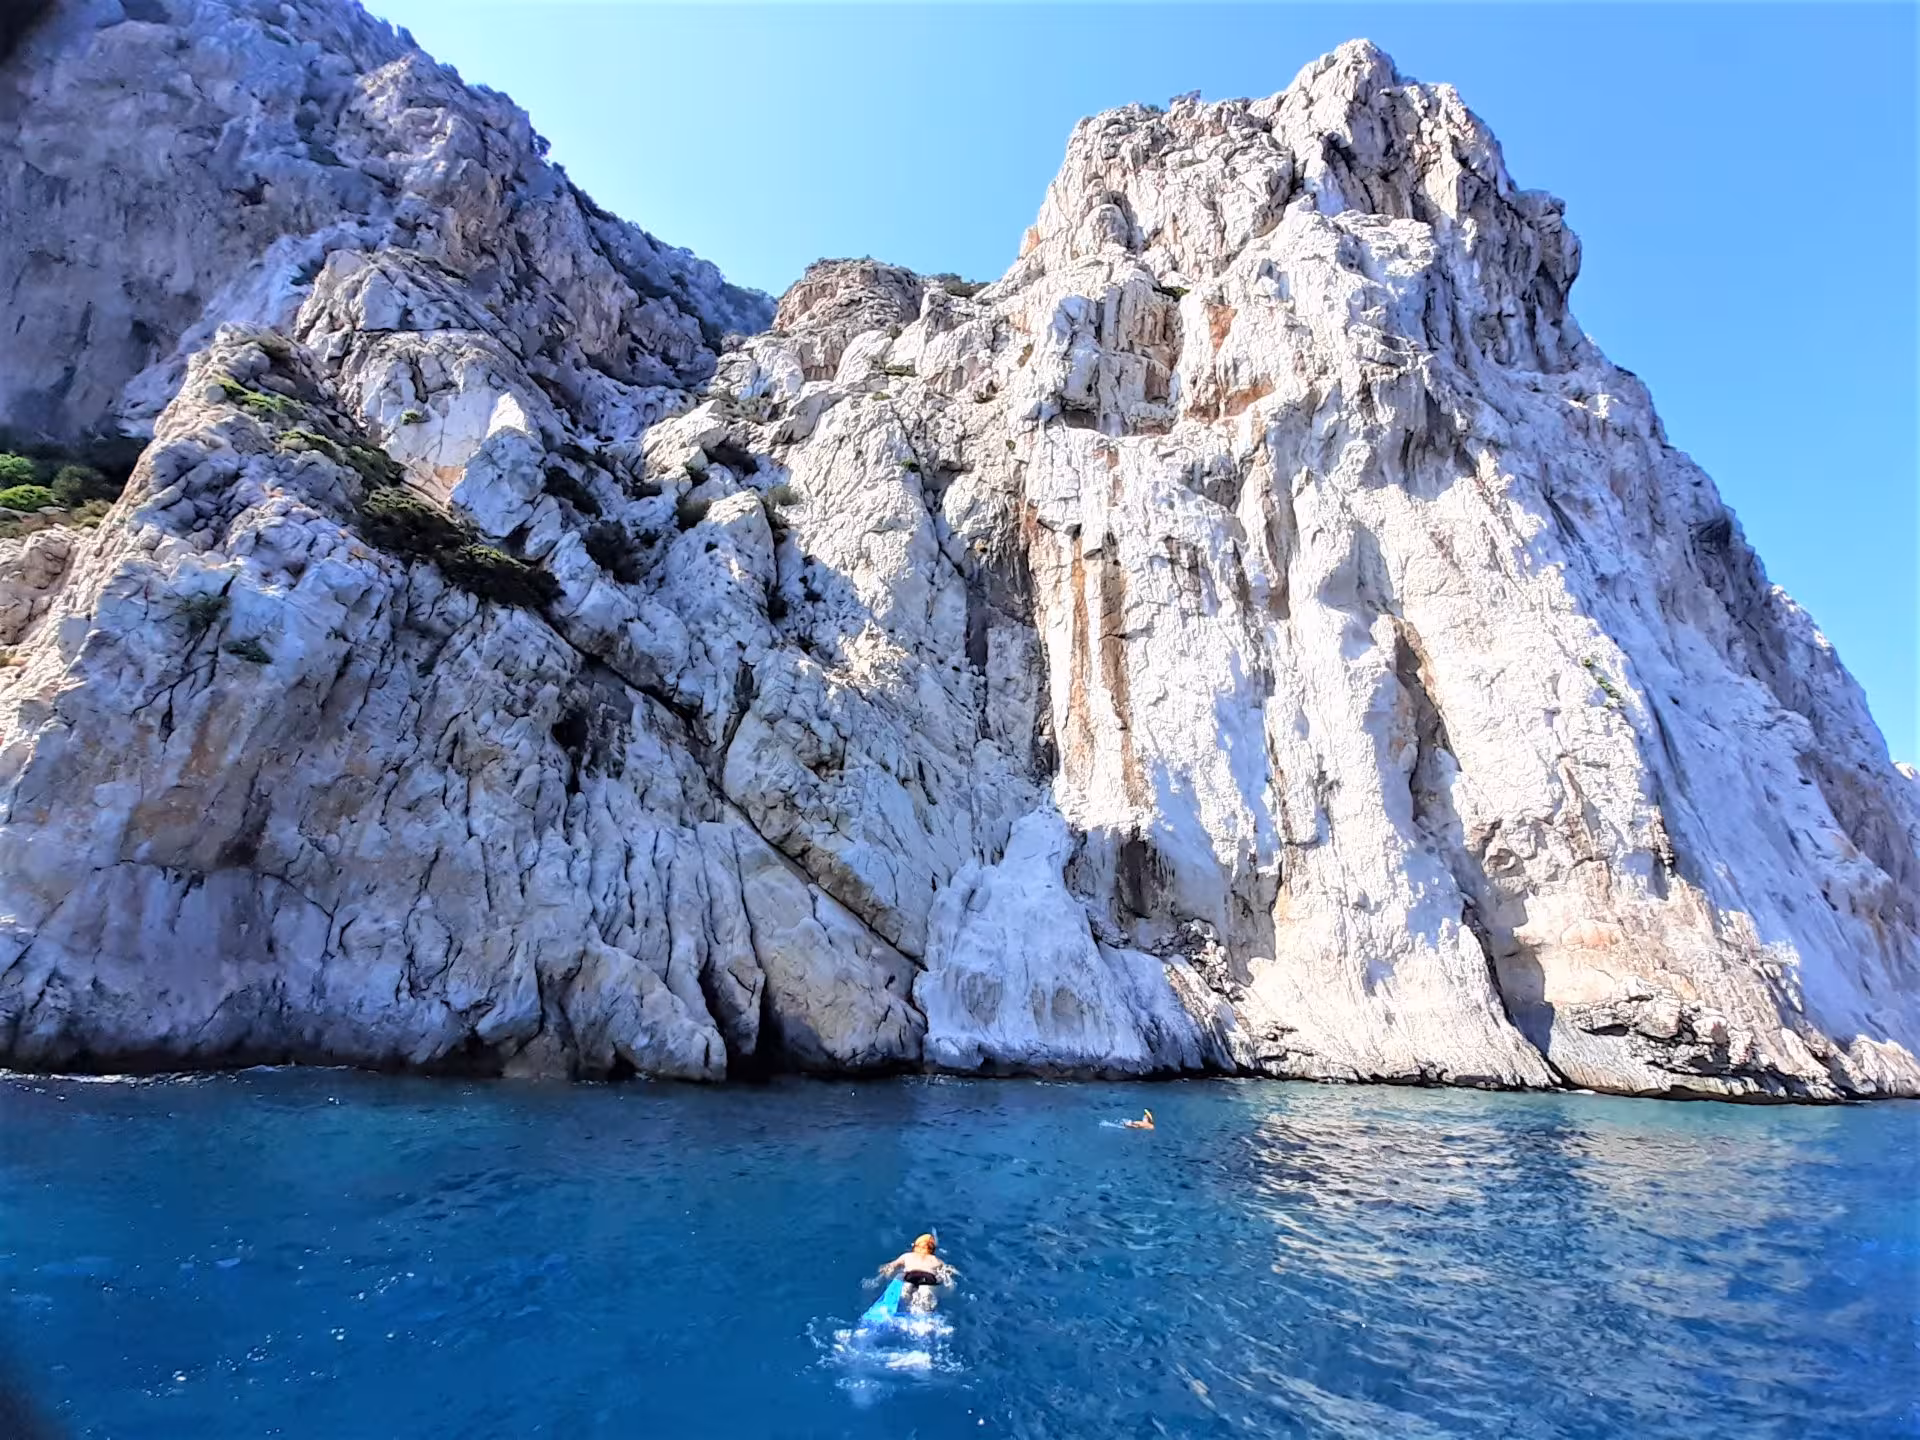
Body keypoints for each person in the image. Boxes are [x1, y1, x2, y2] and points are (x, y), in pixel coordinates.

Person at [877, 1233, 955, 1314]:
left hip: (911, 1275)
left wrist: (883, 1271)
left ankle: (902, 1304)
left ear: (915, 1246)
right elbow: (949, 1271)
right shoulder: (936, 1260)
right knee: (924, 1301)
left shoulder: (907, 1256)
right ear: (932, 1250)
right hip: (928, 1278)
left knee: (905, 1294)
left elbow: (891, 1266)